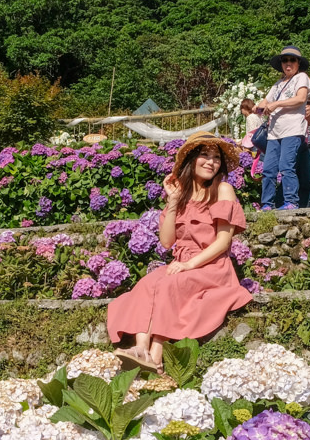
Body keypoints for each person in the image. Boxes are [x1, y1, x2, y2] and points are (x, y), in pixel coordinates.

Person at [107, 136, 251, 374]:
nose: (211, 162)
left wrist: (189, 265)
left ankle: (157, 358)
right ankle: (141, 348)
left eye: (216, 158)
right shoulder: (181, 194)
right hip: (182, 262)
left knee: (170, 285)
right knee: (148, 283)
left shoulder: (223, 190)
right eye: (205, 155)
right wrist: (173, 202)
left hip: (212, 266)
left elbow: (223, 241)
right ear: (192, 160)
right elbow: (167, 241)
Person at [253, 47, 310, 210]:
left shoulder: (302, 77)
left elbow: (300, 99)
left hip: (292, 130)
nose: (288, 63)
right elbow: (265, 103)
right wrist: (257, 108)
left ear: (298, 63)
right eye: (285, 60)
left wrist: (276, 104)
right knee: (269, 170)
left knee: (287, 167)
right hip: (273, 133)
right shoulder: (278, 84)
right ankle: (267, 204)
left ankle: (291, 202)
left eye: (292, 60)